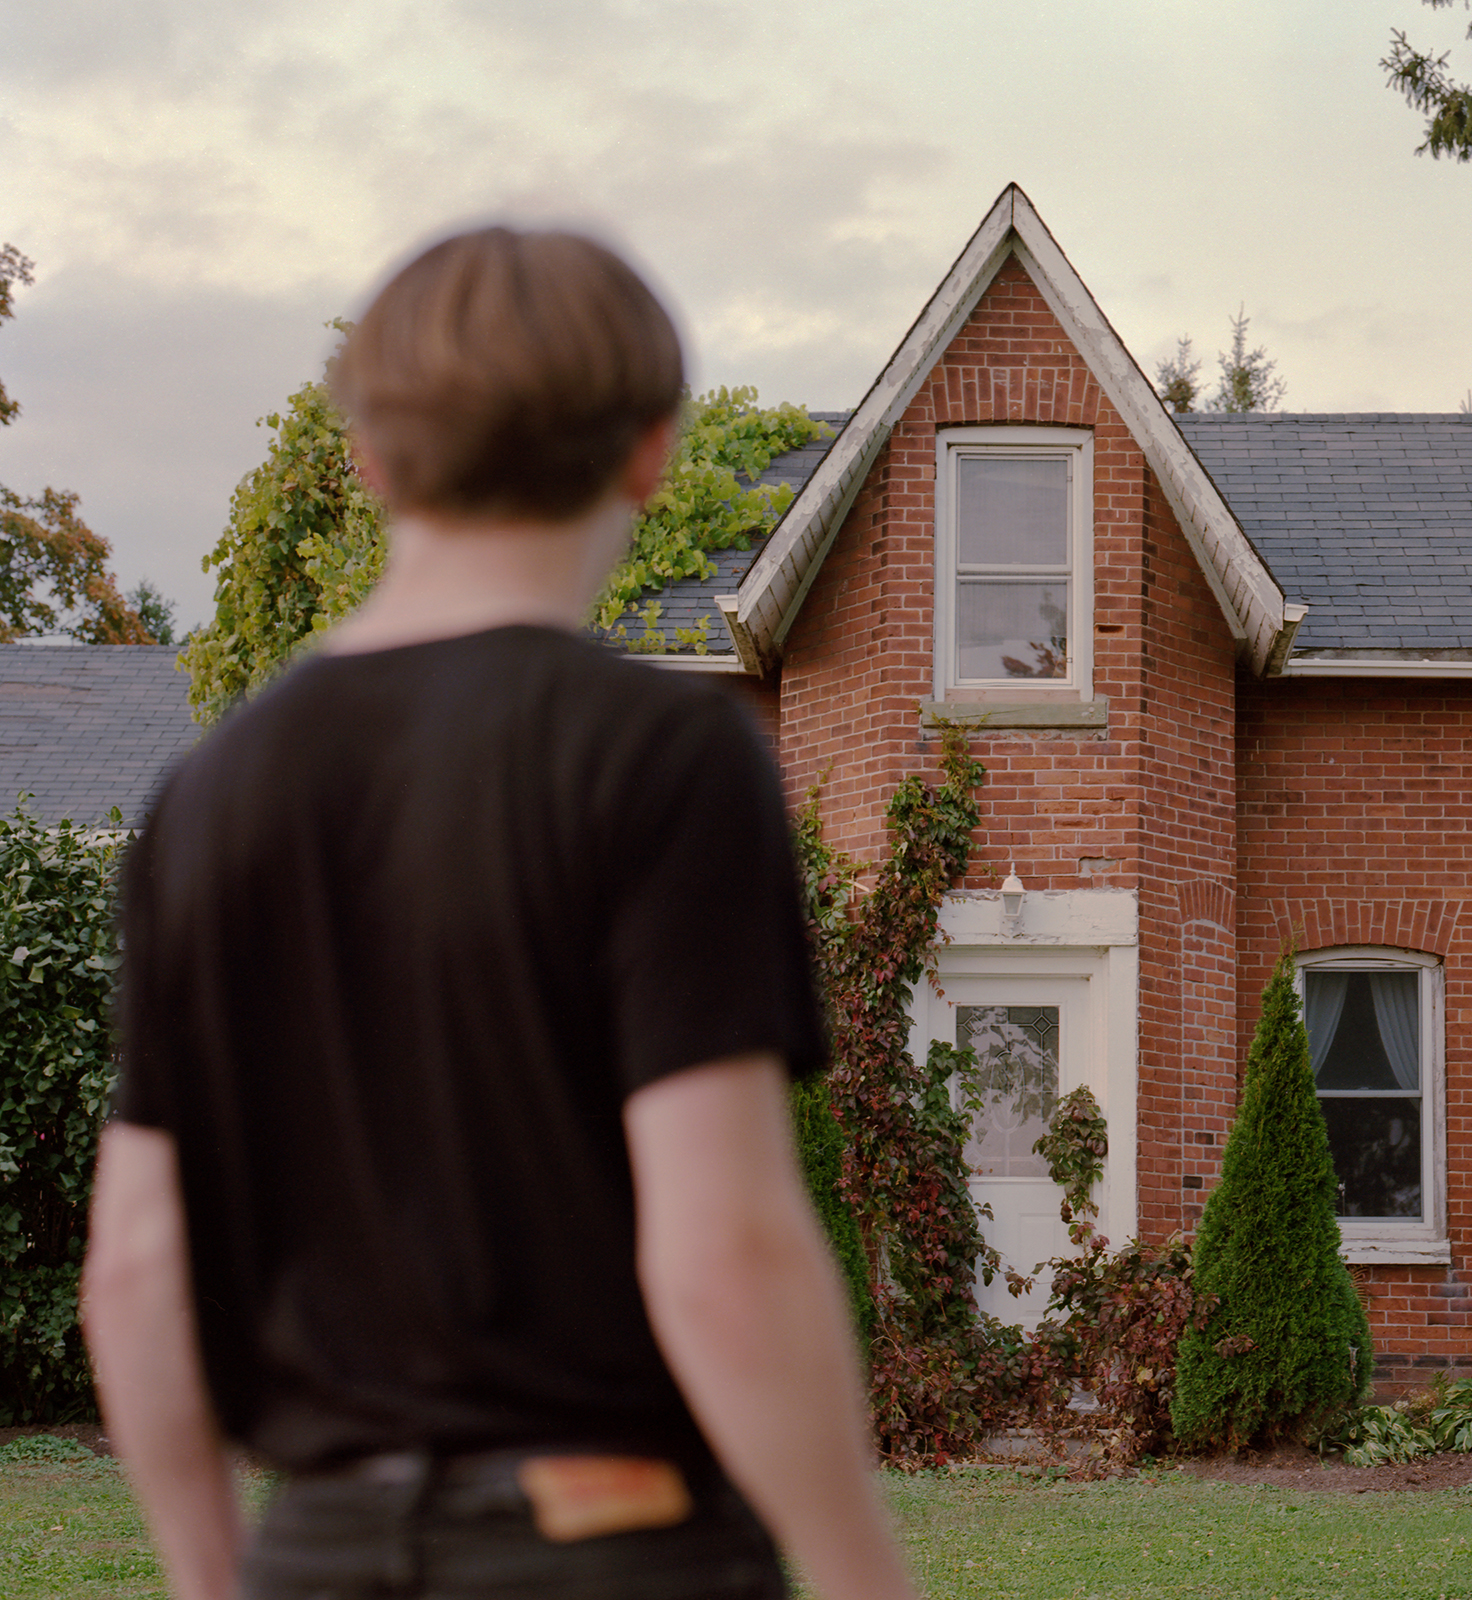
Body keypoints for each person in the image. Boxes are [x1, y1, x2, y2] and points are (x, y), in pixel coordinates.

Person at [80, 226, 918, 1600]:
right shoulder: (663, 758)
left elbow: (135, 1266)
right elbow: (723, 1247)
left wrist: (217, 1579)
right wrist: (861, 1576)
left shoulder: (209, 795)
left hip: (319, 1551)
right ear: (648, 453)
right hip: (610, 1552)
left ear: (369, 457)